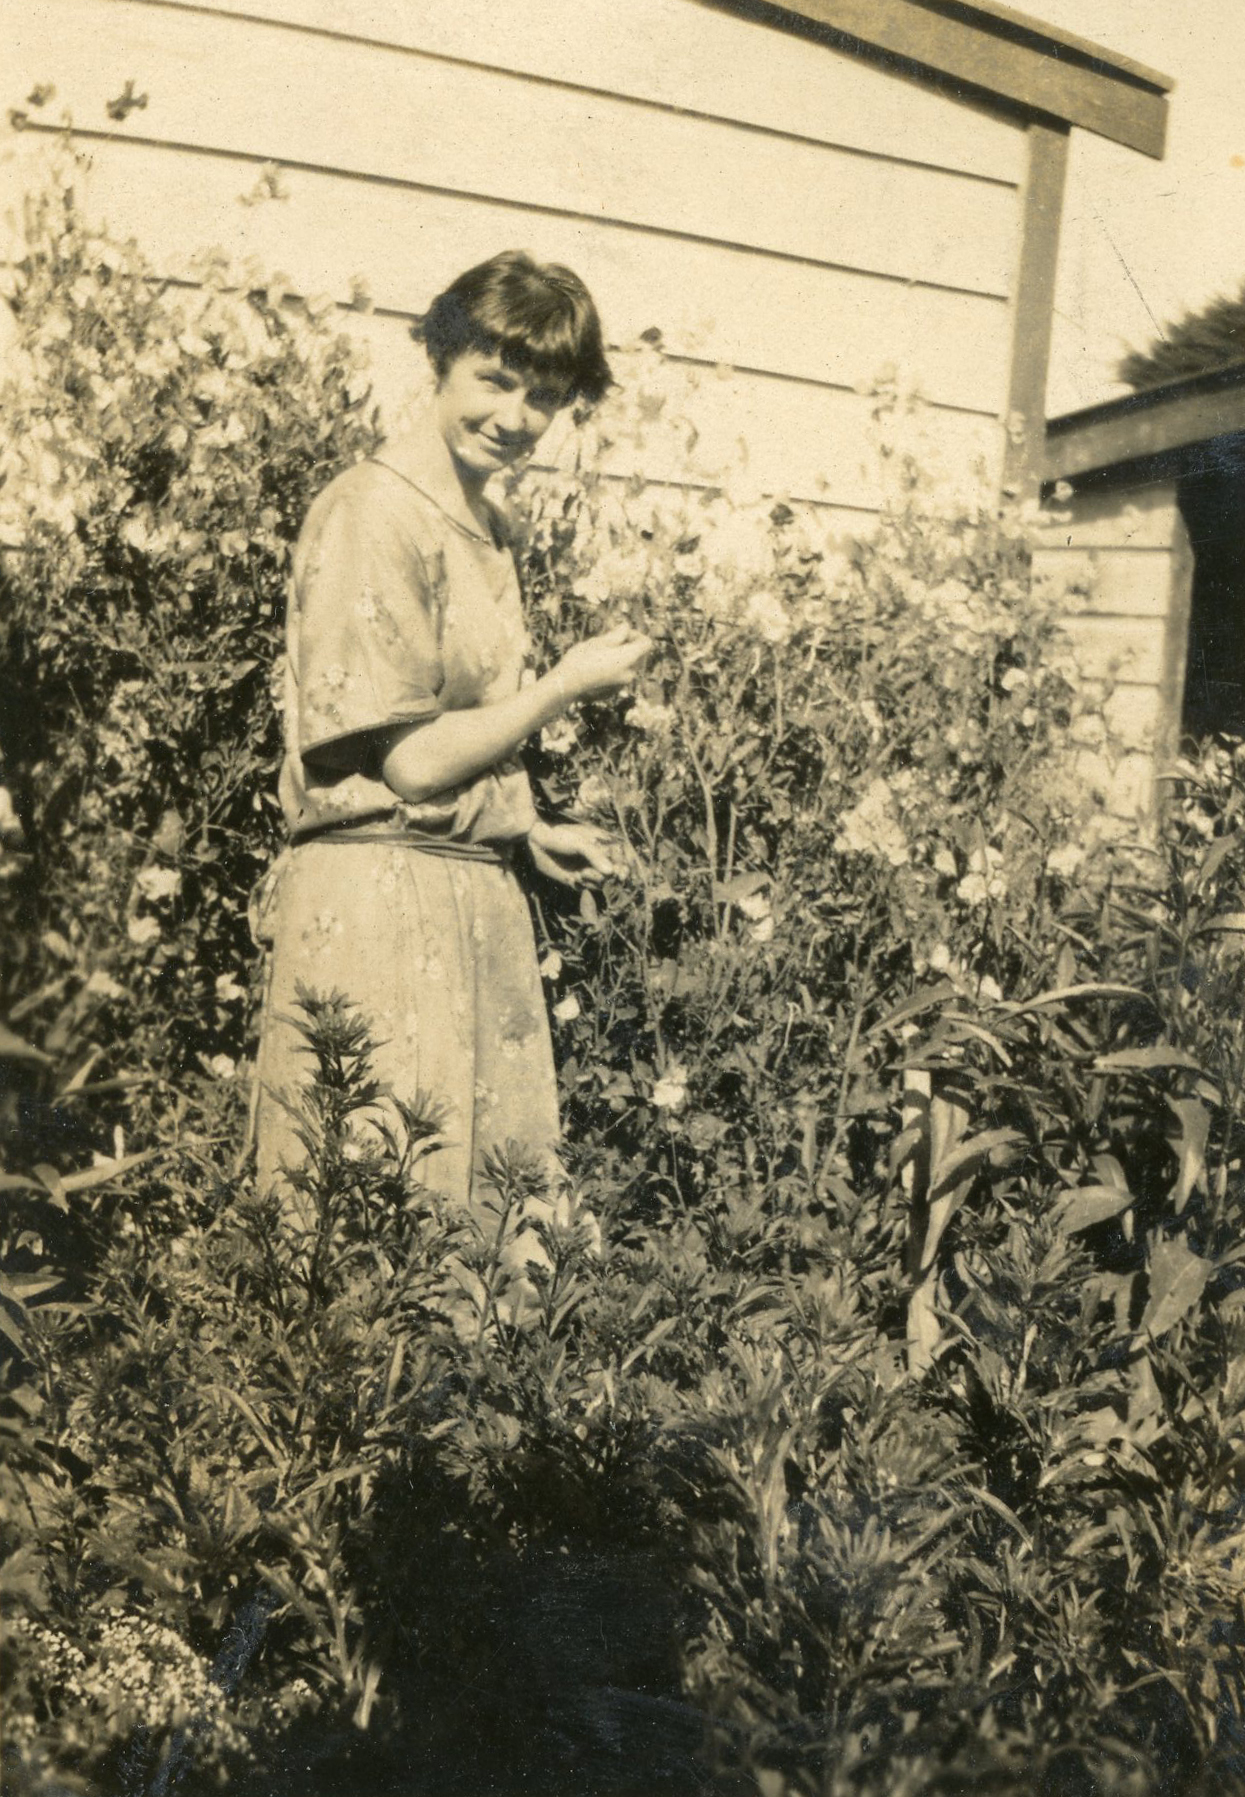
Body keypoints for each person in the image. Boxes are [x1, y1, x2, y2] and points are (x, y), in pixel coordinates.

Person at [251, 250, 649, 1224]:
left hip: (471, 901)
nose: (515, 417)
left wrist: (521, 823)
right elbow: (412, 760)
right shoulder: (371, 512)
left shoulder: (491, 530)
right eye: (494, 380)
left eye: (545, 397)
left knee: (481, 1228)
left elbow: (459, 740)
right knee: (378, 1213)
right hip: (376, 902)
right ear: (441, 359)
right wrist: (563, 687)